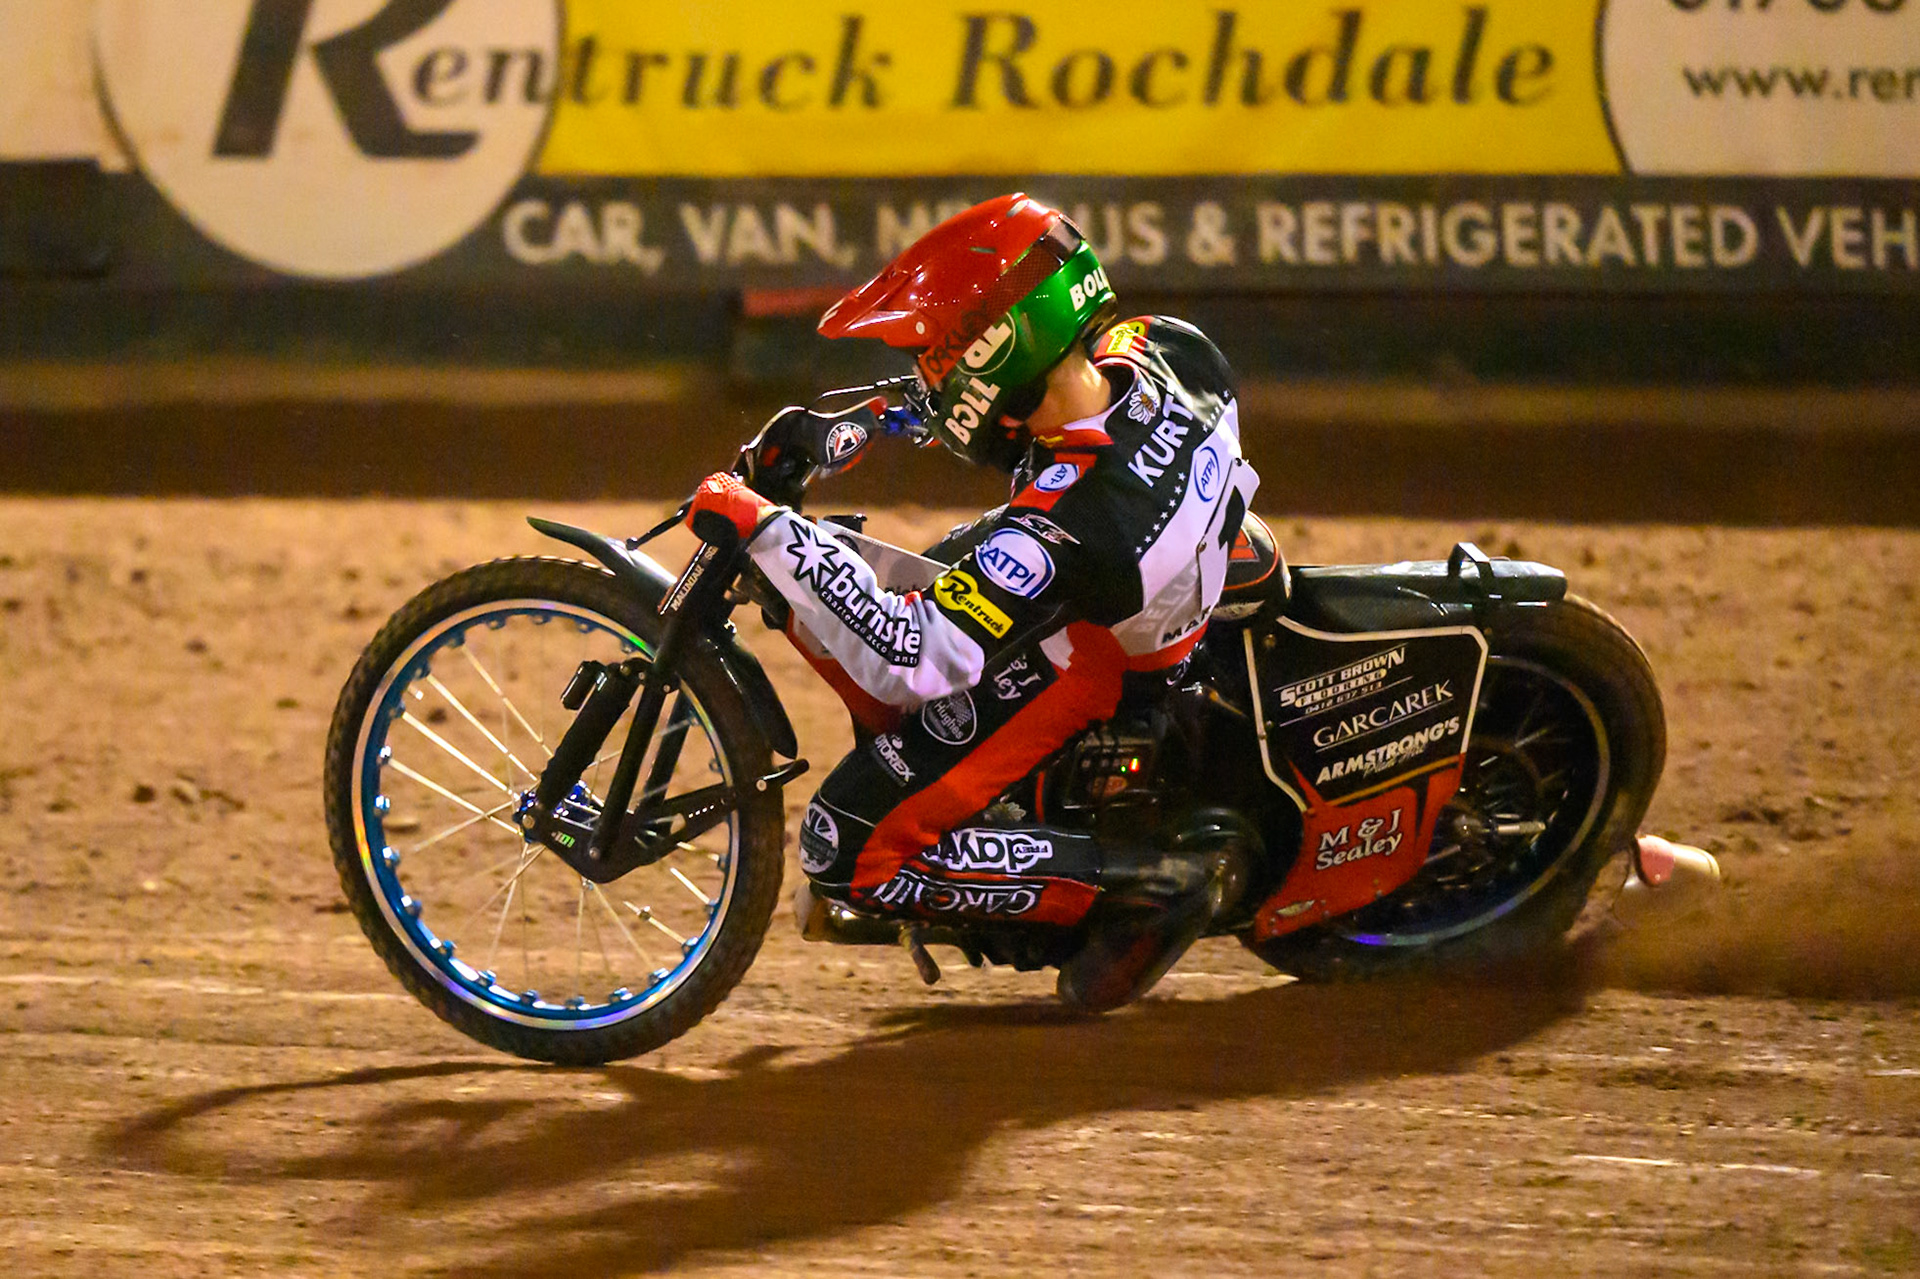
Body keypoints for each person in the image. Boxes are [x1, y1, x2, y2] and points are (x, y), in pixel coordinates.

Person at [685, 193, 1260, 1011]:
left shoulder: (1067, 526)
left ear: (999, 349)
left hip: (1096, 657)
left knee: (839, 846)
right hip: (1164, 577)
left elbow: (907, 654)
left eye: (940, 360)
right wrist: (850, 426)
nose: (933, 379)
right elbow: (1027, 412)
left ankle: (1147, 889)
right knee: (871, 569)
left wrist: (768, 529)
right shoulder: (1166, 350)